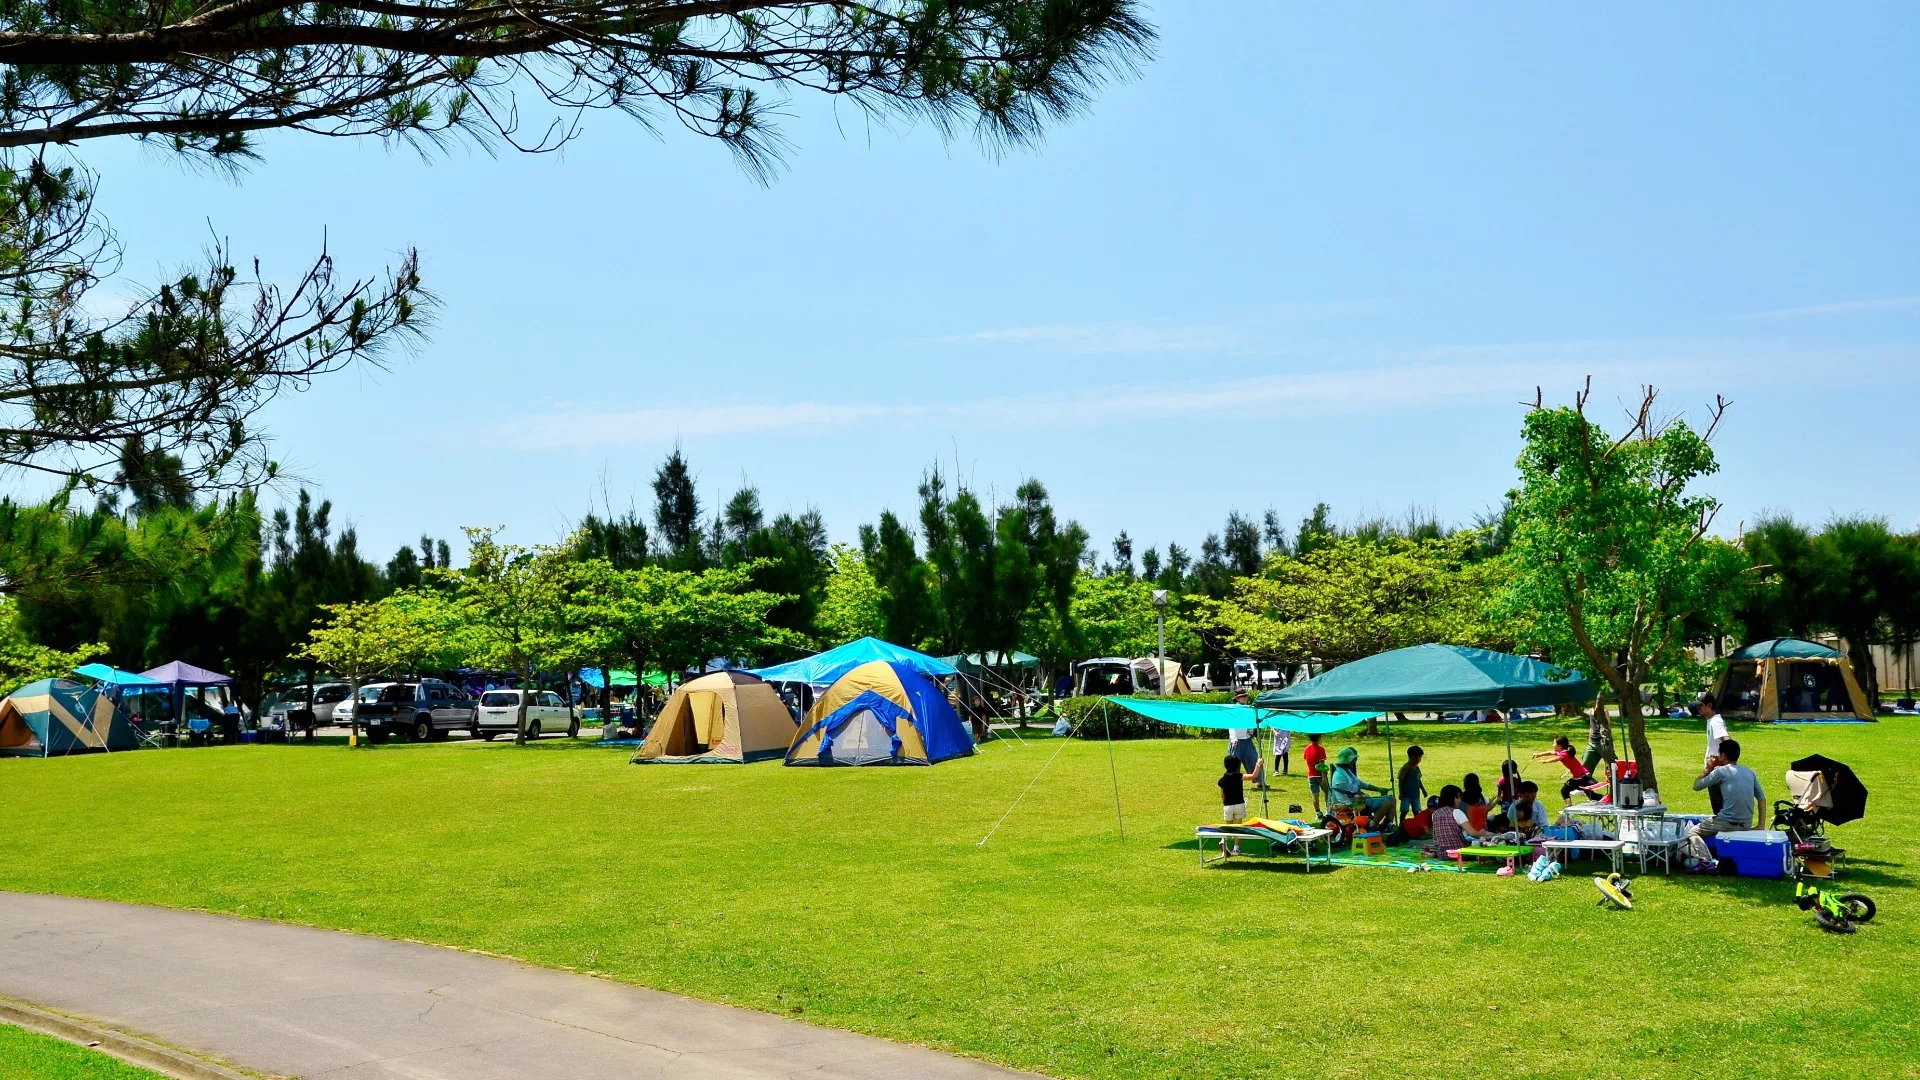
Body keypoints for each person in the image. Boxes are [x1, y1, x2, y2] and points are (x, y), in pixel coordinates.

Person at [1684, 738, 1765, 871]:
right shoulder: (1749, 772)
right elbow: (1762, 799)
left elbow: (1696, 786)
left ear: (1723, 756)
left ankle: (1705, 861)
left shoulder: (1721, 772)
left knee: (1692, 831)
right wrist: (1760, 825)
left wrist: (1708, 768)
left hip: (1726, 822)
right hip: (1746, 824)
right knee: (1712, 824)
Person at [1425, 784, 1494, 855]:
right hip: (1459, 853)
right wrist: (1493, 835)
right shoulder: (1456, 812)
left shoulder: (1435, 814)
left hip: (1442, 853)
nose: (1460, 801)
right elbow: (1474, 833)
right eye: (1458, 798)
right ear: (1451, 798)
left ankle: (1433, 854)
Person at [1533, 735, 1598, 803]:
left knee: (1564, 790)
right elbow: (1550, 752)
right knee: (1592, 796)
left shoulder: (1564, 754)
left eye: (1554, 743)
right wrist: (1539, 754)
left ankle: (1569, 808)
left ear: (1559, 746)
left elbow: (1557, 758)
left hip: (1581, 777)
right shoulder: (1563, 751)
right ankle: (1606, 800)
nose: (1552, 745)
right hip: (1583, 776)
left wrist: (1546, 761)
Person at [1329, 746, 1389, 817]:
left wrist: (1379, 789)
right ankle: (1374, 825)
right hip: (1351, 805)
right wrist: (1360, 799)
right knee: (1386, 803)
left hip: (1357, 801)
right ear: (1347, 761)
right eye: (1353, 760)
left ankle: (1387, 824)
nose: (1354, 762)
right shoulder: (1339, 776)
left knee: (1391, 799)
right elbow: (1345, 797)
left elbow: (1362, 784)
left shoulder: (1348, 772)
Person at [1217, 755, 1248, 854]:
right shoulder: (1239, 776)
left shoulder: (1222, 780)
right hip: (1239, 805)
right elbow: (1253, 776)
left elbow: (1222, 795)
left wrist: (1225, 804)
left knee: (1228, 827)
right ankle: (1236, 848)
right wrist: (1258, 765)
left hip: (1227, 806)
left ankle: (1223, 841)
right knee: (1238, 827)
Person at [1582, 702, 1616, 776]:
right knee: (1584, 769)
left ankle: (1615, 785)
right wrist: (1589, 740)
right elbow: (1591, 727)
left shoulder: (1604, 710)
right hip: (1592, 743)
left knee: (1612, 768)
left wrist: (1607, 742)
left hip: (1603, 743)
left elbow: (1608, 726)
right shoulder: (1591, 710)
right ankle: (1584, 784)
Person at [1398, 745, 1428, 819]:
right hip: (1406, 794)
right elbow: (1401, 780)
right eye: (1419, 757)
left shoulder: (1417, 768)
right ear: (1412, 757)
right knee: (1404, 811)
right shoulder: (1406, 767)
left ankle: (1416, 824)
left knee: (1416, 811)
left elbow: (1418, 780)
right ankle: (1401, 824)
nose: (1420, 759)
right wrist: (1401, 792)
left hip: (1415, 794)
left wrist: (1423, 790)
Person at [1302, 732, 1329, 814]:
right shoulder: (1321, 749)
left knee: (1315, 795)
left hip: (1310, 775)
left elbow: (1307, 759)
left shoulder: (1306, 749)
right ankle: (1328, 810)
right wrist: (1324, 777)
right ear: (1319, 738)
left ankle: (1318, 812)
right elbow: (1322, 765)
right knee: (1327, 792)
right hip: (1320, 775)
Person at [1700, 696, 1728, 768]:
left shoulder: (1715, 722)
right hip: (1713, 765)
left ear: (1709, 705)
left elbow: (1728, 742)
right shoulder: (1712, 720)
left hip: (1716, 767)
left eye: (1700, 705)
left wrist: (1720, 761)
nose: (1698, 707)